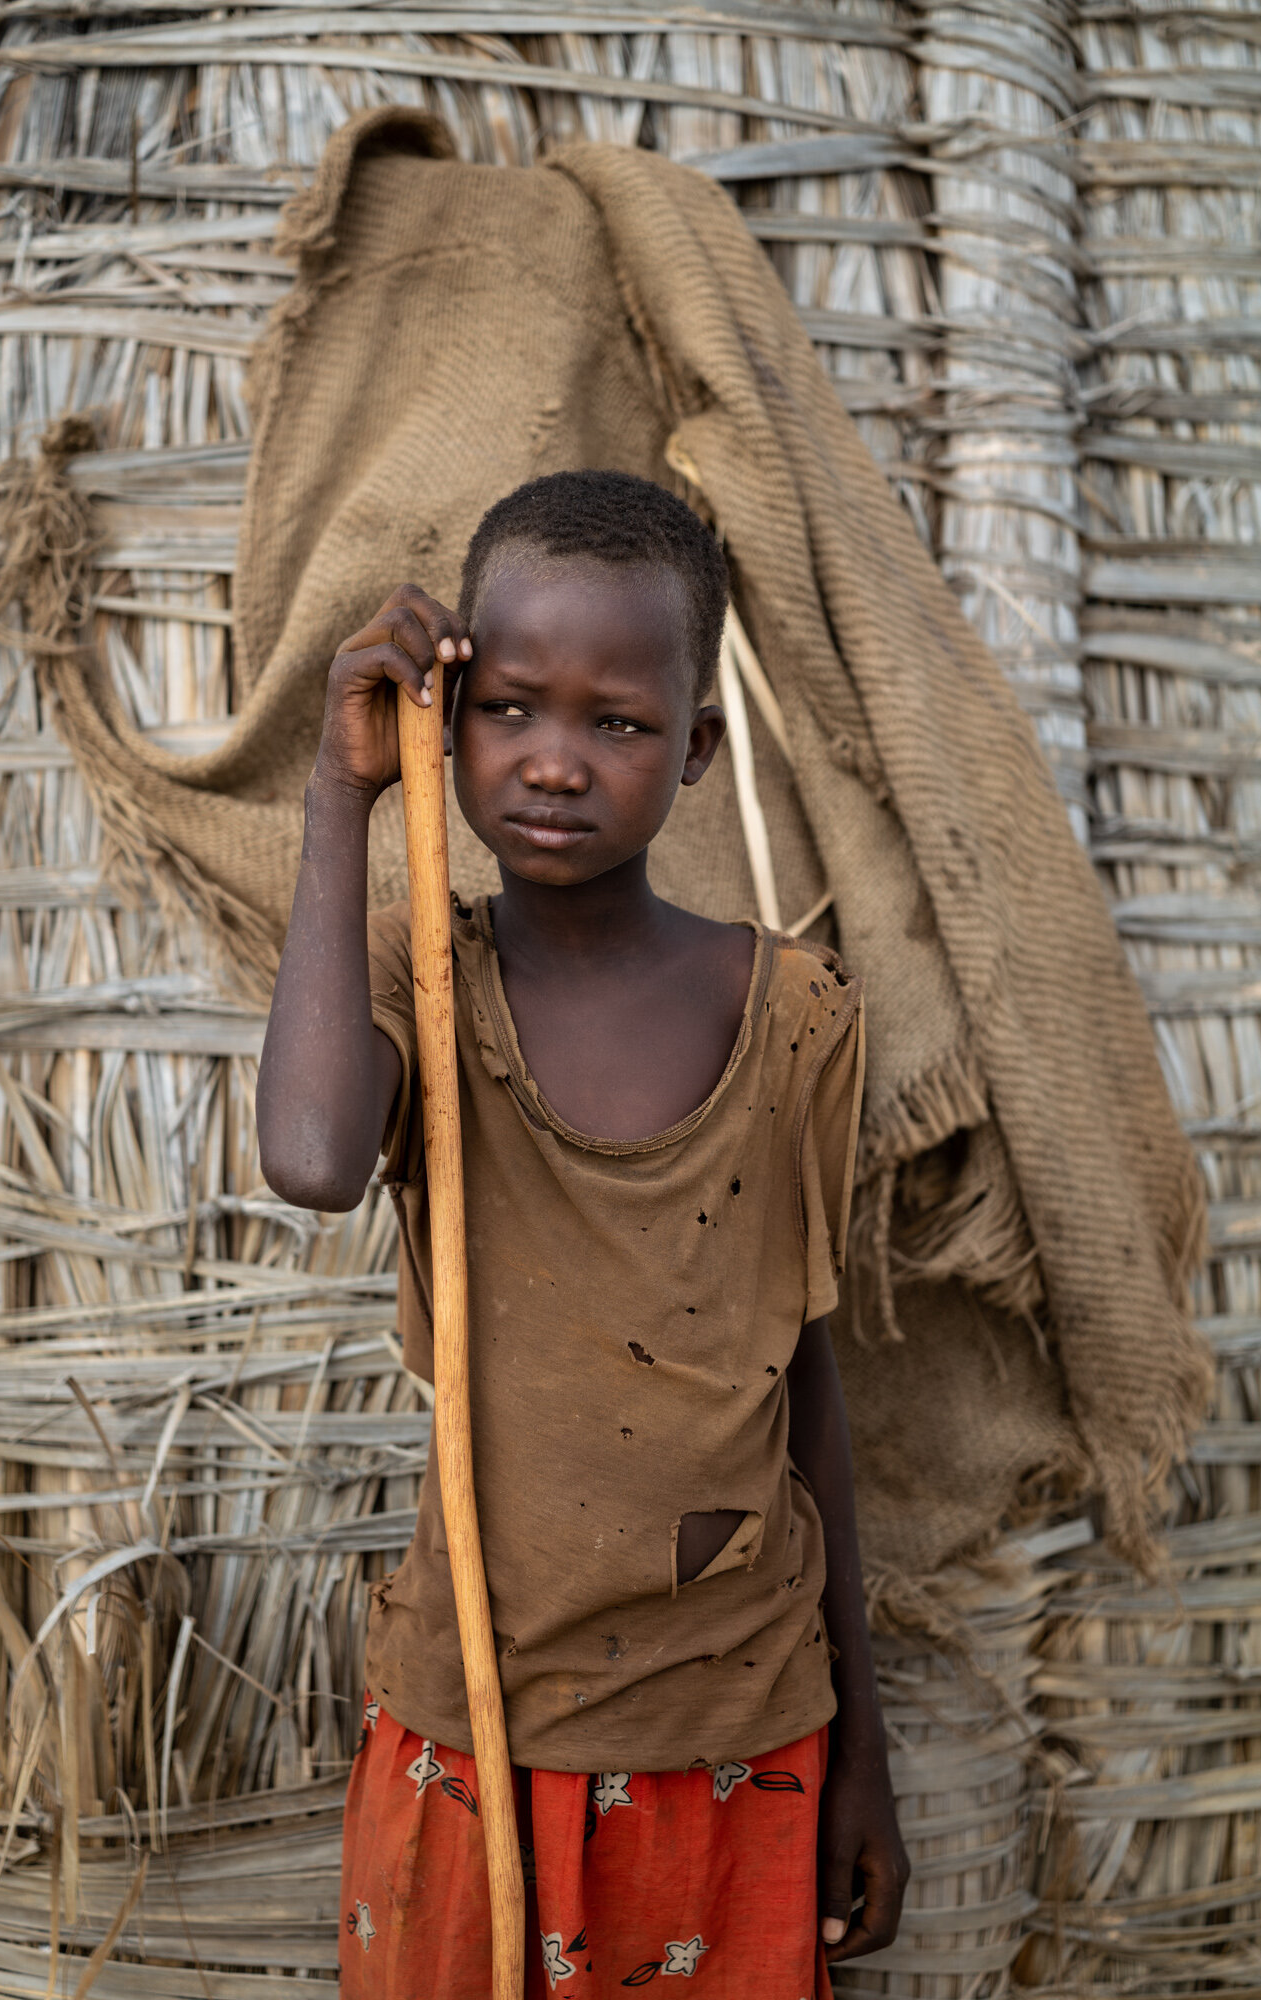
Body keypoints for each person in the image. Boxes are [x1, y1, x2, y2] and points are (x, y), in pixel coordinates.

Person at [257, 470, 908, 1998]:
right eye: (509, 711)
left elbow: (804, 1382)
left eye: (615, 724)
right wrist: (340, 796)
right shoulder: (429, 990)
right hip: (474, 1722)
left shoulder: (794, 1018)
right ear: (449, 719)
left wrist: (863, 1746)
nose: (553, 764)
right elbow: (306, 1161)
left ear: (692, 751)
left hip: (736, 1727)